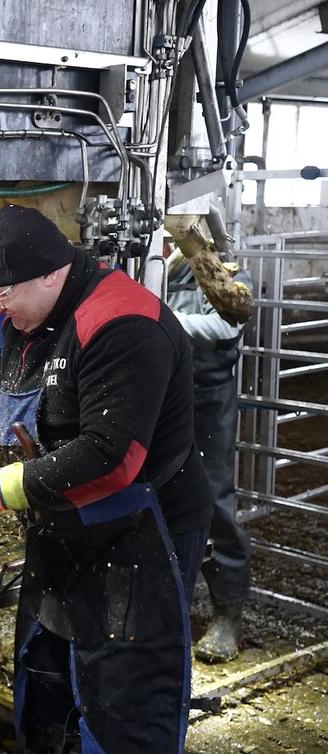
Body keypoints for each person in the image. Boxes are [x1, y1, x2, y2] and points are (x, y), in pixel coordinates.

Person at [0, 205, 213, 753]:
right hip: (64, 525)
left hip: (138, 533)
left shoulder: (123, 322)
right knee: (47, 678)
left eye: (0, 295)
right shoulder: (26, 317)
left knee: (124, 700)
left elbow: (111, 457)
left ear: (50, 273)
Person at [166, 243, 254, 663]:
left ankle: (226, 614)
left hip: (208, 398)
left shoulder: (222, 265)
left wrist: (162, 320)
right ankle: (168, 609)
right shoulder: (152, 262)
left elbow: (227, 326)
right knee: (158, 498)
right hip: (162, 393)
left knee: (214, 501)